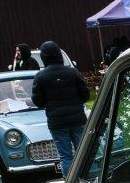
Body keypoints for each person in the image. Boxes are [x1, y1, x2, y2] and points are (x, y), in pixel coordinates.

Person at [31, 40, 90, 173]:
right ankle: (89, 177)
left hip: (56, 120)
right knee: (84, 152)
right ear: (59, 54)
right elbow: (85, 95)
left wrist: (50, 104)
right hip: (77, 118)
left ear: (43, 56)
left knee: (65, 156)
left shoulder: (40, 76)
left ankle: (70, 182)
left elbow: (38, 101)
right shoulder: (73, 72)